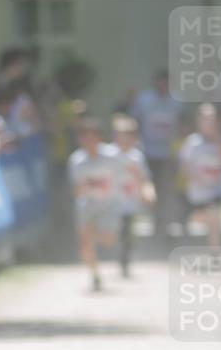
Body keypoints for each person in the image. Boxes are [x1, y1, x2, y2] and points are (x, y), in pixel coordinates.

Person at [68, 117, 125, 291]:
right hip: (87, 205)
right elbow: (76, 190)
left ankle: (96, 234)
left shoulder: (112, 156)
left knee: (108, 240)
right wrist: (82, 188)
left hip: (109, 204)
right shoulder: (77, 161)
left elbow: (128, 172)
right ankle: (95, 275)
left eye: (92, 137)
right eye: (85, 138)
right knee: (85, 244)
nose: (89, 142)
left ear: (100, 138)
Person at [130, 69, 183, 236]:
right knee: (148, 189)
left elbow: (181, 125)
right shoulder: (144, 100)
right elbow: (134, 121)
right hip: (147, 152)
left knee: (166, 190)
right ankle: (152, 221)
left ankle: (164, 225)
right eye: (160, 82)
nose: (162, 86)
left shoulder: (177, 101)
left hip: (168, 154)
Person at [111, 114, 154, 277]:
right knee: (117, 232)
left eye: (128, 135)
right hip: (113, 201)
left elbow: (144, 178)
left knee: (127, 232)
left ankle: (125, 261)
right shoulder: (109, 154)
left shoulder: (137, 156)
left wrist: (148, 192)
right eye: (122, 135)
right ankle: (120, 258)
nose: (125, 139)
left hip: (130, 202)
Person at [179, 104, 221, 247]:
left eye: (212, 119)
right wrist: (195, 178)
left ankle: (215, 252)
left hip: (217, 192)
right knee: (206, 219)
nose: (208, 123)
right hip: (198, 194)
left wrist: (218, 139)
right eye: (205, 119)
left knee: (214, 216)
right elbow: (184, 166)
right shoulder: (192, 143)